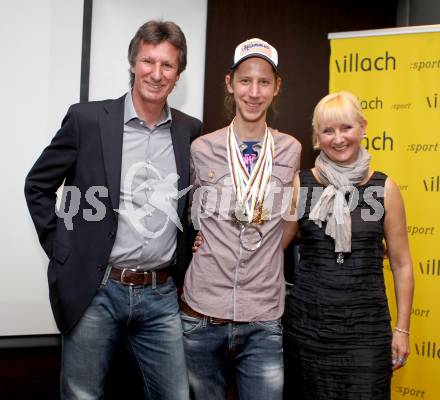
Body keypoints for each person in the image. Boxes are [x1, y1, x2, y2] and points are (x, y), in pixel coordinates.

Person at [24, 20, 202, 399]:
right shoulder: (87, 120)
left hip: (160, 294)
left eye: (167, 65)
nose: (156, 74)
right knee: (82, 395)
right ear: (132, 64)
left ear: (179, 73)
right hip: (97, 290)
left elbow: (193, 201)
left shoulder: (190, 130)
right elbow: (38, 185)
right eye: (148, 62)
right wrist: (63, 250)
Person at [181, 38, 301, 400]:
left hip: (263, 317)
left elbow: (291, 217)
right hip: (202, 314)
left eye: (264, 82)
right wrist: (201, 241)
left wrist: (262, 249)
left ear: (276, 87)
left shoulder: (291, 149)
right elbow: (189, 215)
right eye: (245, 81)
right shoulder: (202, 149)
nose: (253, 92)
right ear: (229, 83)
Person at [282, 91, 414, 399]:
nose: (338, 138)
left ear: (363, 126)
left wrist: (403, 329)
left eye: (346, 128)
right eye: (328, 131)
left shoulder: (385, 189)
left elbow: (402, 263)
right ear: (317, 136)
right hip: (308, 332)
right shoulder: (303, 185)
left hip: (366, 336)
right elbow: (274, 245)